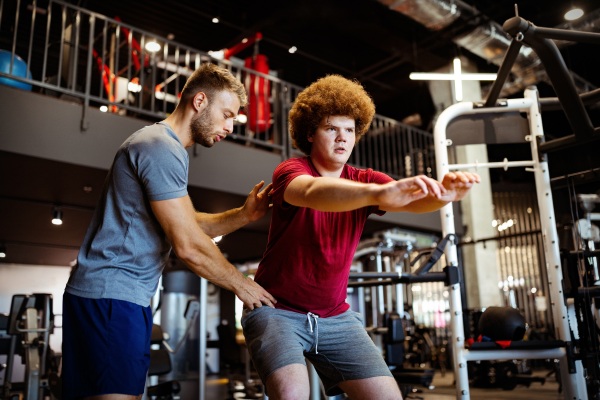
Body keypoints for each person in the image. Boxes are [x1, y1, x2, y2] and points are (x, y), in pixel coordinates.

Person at [241, 75, 480, 400]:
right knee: (291, 395)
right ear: (310, 133)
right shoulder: (292, 170)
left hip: (335, 316)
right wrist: (378, 193)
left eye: (350, 130)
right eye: (331, 129)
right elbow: (312, 192)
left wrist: (448, 193)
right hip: (276, 311)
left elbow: (414, 200)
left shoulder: (366, 180)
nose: (342, 138)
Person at [62, 63, 276, 400]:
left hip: (111, 295)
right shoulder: (161, 147)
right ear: (200, 101)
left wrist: (245, 215)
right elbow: (188, 245)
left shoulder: (161, 145)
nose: (231, 127)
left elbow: (191, 223)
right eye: (227, 114)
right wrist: (242, 284)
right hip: (113, 297)